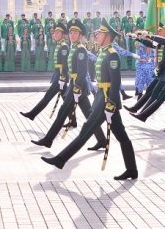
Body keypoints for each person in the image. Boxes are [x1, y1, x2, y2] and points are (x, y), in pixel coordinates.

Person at [41, 20, 138, 180]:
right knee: (121, 135)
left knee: (86, 131)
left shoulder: (112, 55)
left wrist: (111, 104)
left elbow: (115, 84)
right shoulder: (104, 52)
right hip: (102, 98)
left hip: (106, 101)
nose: (97, 36)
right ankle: (132, 170)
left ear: (107, 36)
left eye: (100, 33)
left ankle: (60, 159)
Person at [31, 19, 108, 150]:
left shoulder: (81, 50)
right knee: (89, 115)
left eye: (75, 32)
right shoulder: (74, 48)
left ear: (81, 35)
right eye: (71, 32)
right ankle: (102, 140)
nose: (72, 35)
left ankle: (48, 140)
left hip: (78, 86)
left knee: (62, 112)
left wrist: (77, 88)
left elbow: (83, 72)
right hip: (75, 85)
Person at [20, 22, 69, 120]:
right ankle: (73, 120)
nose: (55, 34)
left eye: (58, 32)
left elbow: (64, 65)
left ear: (63, 34)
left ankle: (32, 114)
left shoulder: (63, 46)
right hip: (58, 77)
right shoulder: (59, 45)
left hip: (60, 78)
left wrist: (62, 78)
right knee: (67, 101)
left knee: (47, 97)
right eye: (54, 32)